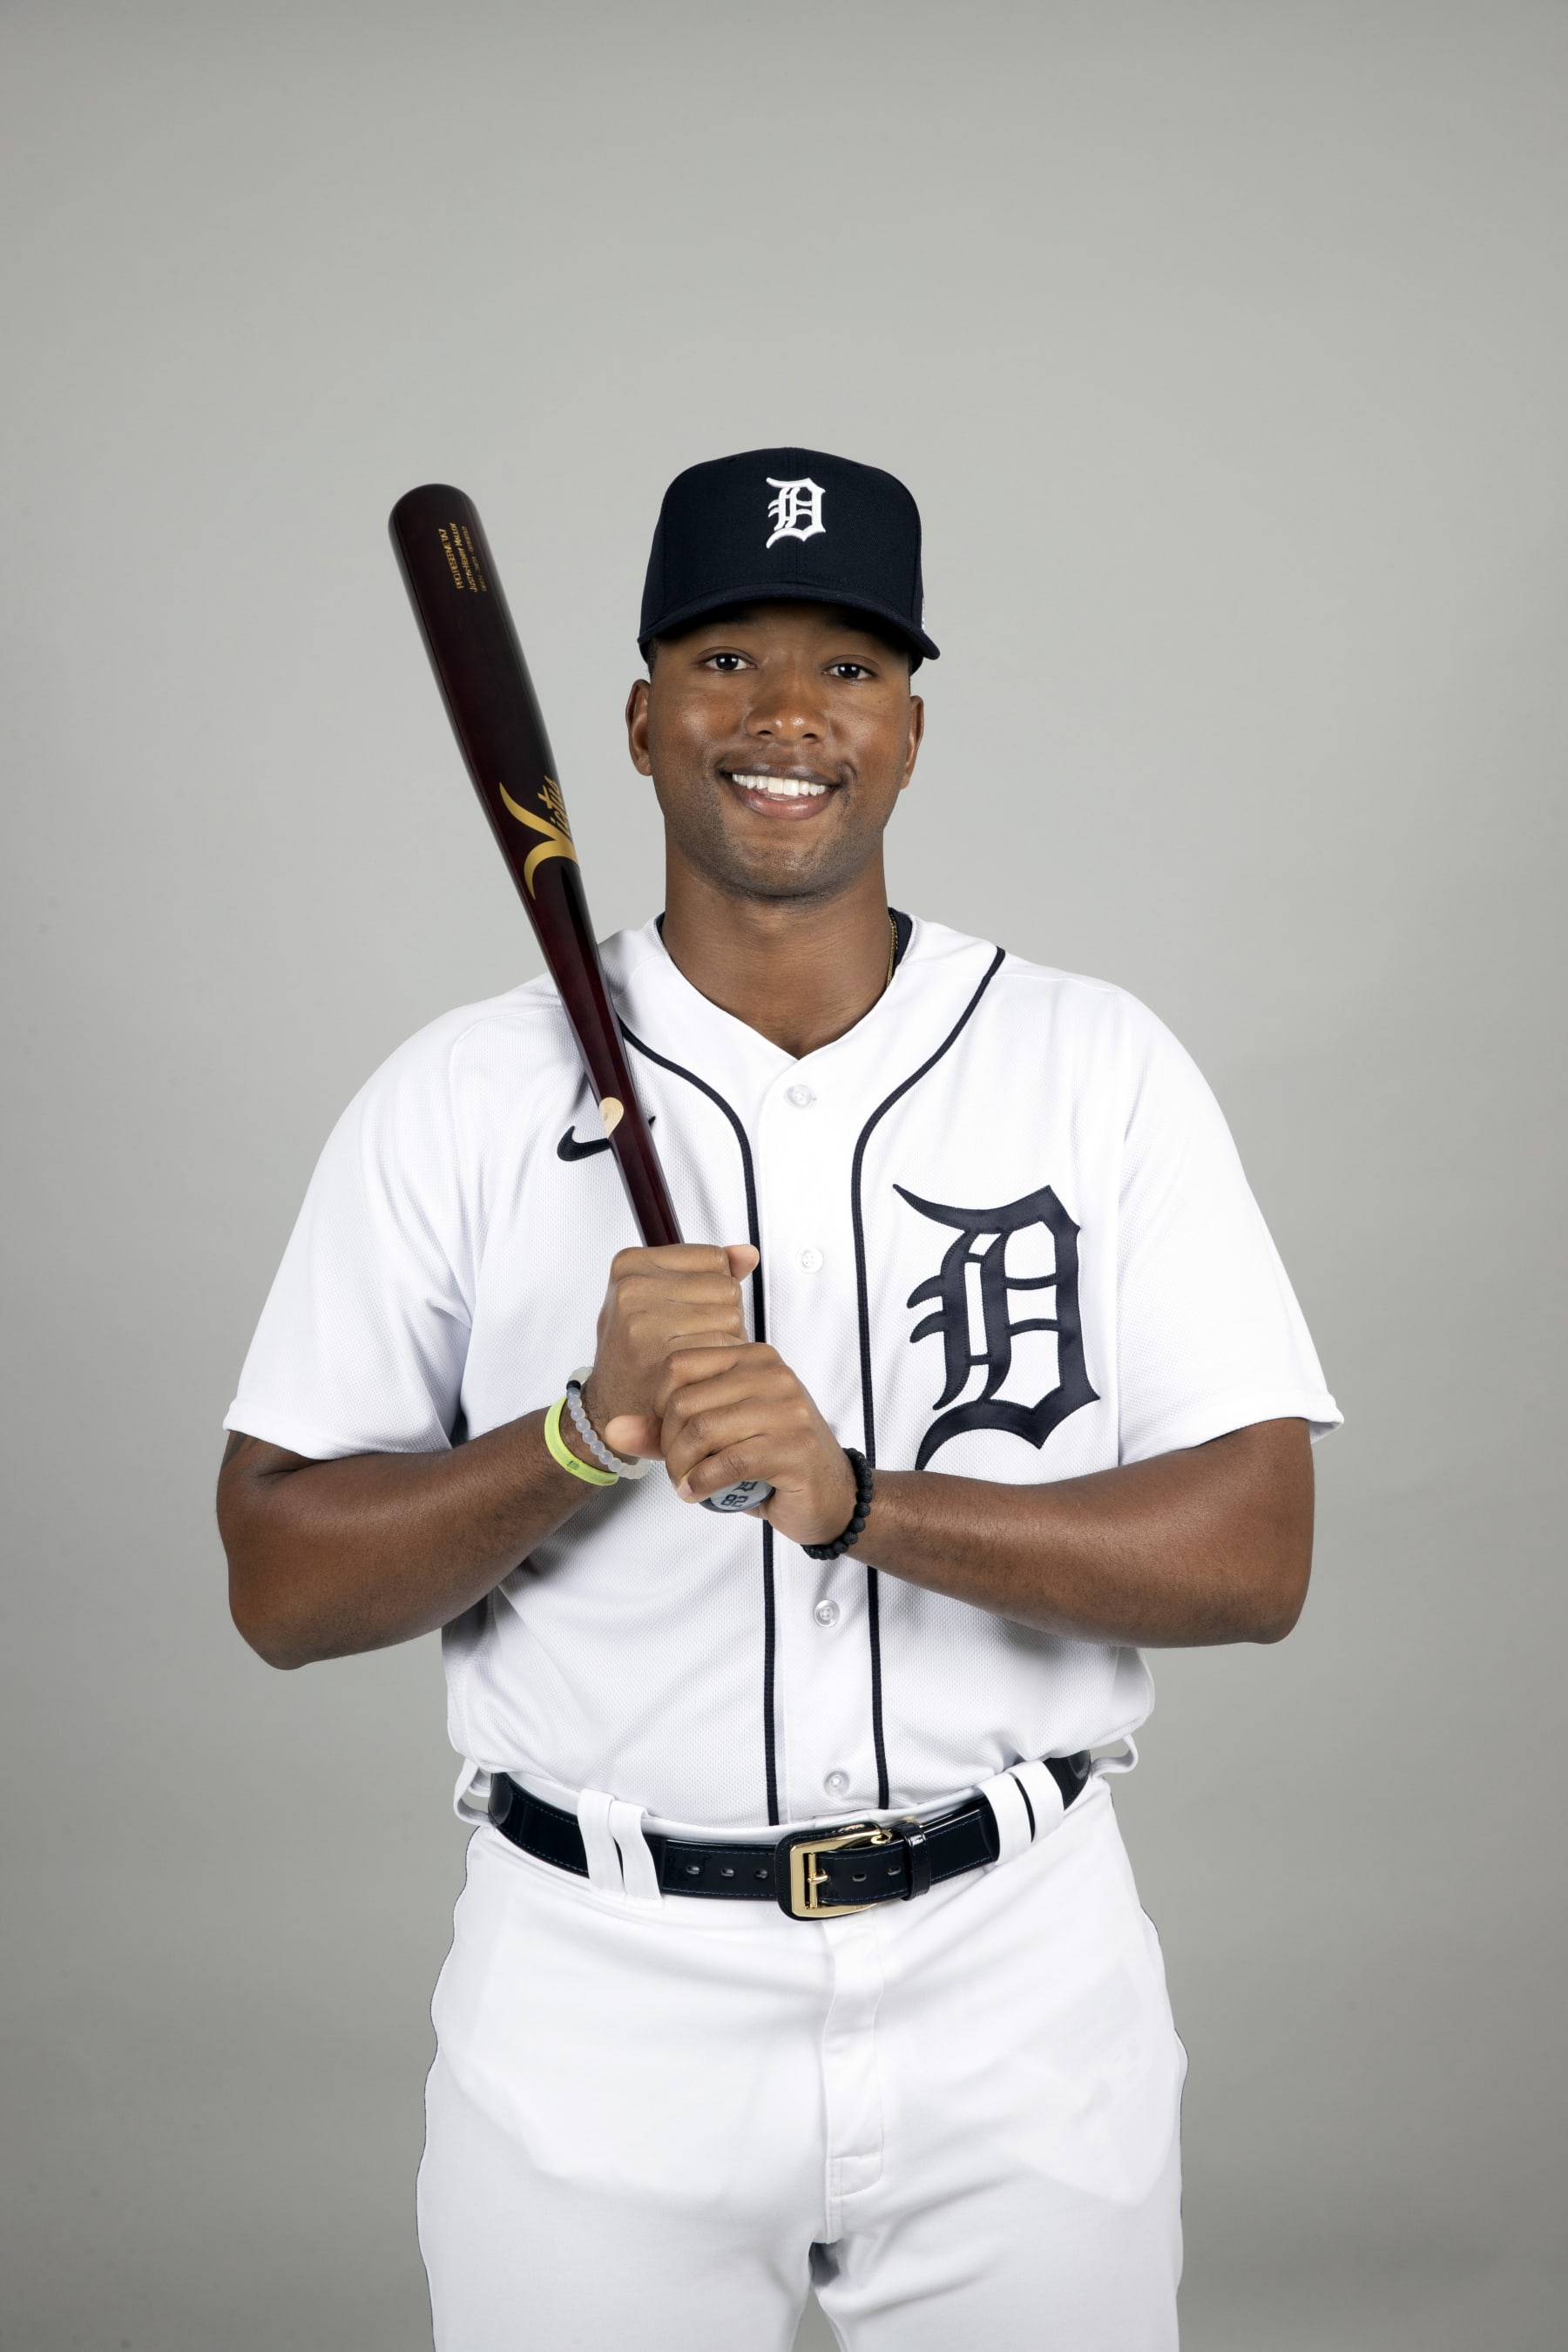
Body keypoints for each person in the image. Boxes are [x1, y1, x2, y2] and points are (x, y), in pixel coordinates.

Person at [219, 445, 1339, 2350]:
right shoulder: (460, 1096)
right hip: (599, 1993)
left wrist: (864, 1503)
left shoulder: (1097, 1066)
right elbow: (277, 1583)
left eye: (848, 665)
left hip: (1021, 1985)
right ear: (643, 721)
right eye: (730, 658)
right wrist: (583, 1433)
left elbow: (1256, 1552)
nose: (789, 715)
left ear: (909, 728)